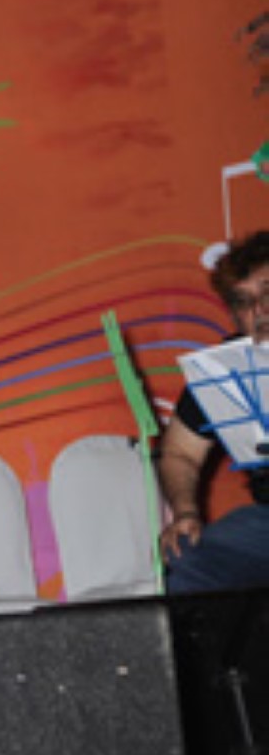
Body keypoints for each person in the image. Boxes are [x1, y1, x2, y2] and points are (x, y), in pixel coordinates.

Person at [159, 231, 269, 594]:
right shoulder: (224, 370)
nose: (260, 311)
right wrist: (185, 512)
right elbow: (179, 453)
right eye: (244, 302)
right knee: (189, 558)